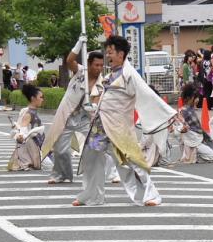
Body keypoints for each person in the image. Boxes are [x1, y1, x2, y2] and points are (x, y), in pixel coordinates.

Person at [73, 35, 176, 207]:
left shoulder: (130, 74)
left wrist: (168, 112)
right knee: (91, 158)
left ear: (121, 54)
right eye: (107, 52)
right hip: (100, 125)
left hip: (119, 127)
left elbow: (148, 94)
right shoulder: (110, 75)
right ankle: (92, 196)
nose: (108, 56)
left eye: (110, 52)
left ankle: (151, 195)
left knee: (132, 160)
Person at [41, 37, 104, 184]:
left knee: (99, 143)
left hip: (85, 118)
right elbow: (69, 61)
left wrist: (93, 106)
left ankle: (111, 173)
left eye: (101, 65)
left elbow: (97, 98)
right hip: (67, 116)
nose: (99, 68)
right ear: (89, 64)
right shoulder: (80, 71)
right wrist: (78, 44)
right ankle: (62, 175)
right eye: (96, 65)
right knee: (60, 149)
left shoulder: (101, 82)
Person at [177, 84, 213, 164]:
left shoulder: (190, 110)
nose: (198, 100)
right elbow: (179, 126)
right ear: (190, 98)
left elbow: (198, 127)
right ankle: (194, 156)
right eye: (196, 98)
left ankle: (192, 155)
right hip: (192, 142)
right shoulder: (184, 111)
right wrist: (182, 129)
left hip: (195, 140)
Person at [8, 84, 44, 171]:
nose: (42, 99)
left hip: (37, 145)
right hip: (31, 148)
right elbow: (23, 130)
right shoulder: (28, 113)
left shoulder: (30, 111)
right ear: (33, 98)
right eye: (41, 97)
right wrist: (20, 136)